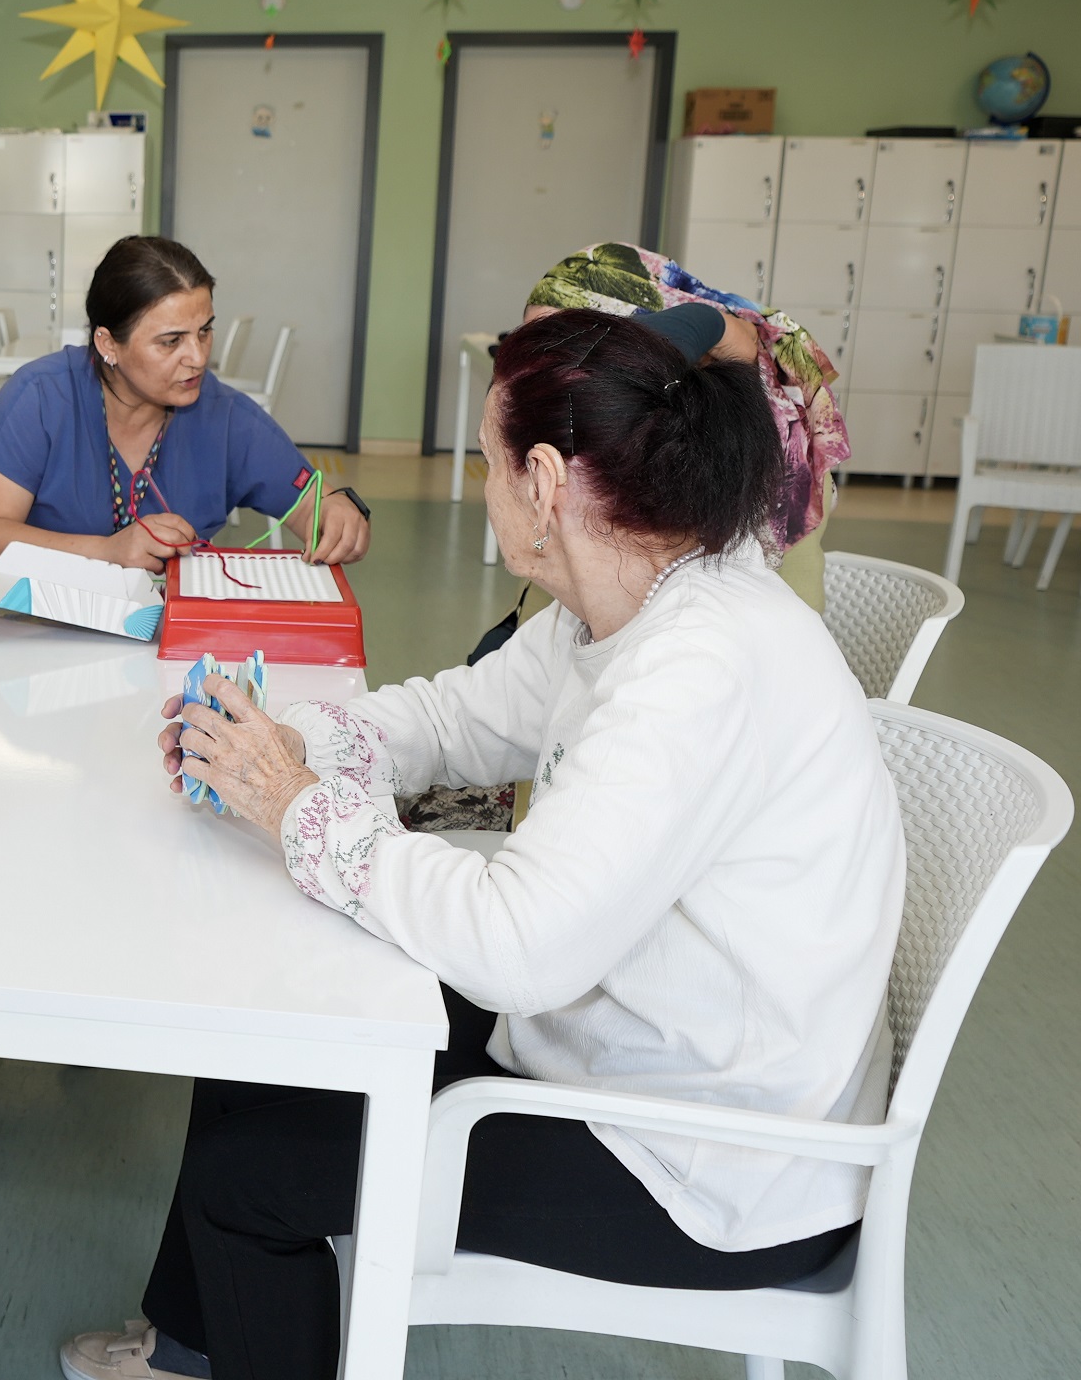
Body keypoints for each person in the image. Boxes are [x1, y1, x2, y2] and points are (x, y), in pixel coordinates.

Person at [62, 310, 903, 1380]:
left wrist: (299, 808)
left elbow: (519, 943)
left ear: (545, 479)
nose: (480, 486)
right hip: (628, 1045)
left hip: (704, 1164)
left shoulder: (700, 668)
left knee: (249, 1176)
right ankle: (192, 1349)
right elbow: (458, 720)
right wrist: (284, 744)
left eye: (488, 462)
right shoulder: (633, 588)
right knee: (261, 1030)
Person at [0, 236, 370, 574]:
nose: (197, 357)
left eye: (204, 332)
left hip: (173, 649)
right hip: (42, 633)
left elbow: (311, 504)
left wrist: (337, 515)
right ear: (108, 344)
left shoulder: (225, 418)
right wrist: (106, 551)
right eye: (171, 341)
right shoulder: (42, 398)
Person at [522, 241, 849, 609]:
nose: (547, 364)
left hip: (758, 618)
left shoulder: (726, 394)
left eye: (563, 345)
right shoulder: (648, 393)